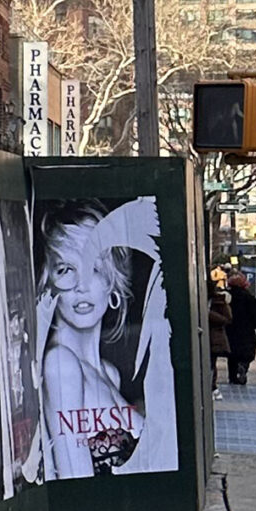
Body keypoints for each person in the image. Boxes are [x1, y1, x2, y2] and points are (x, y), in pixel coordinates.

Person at [38, 200, 176, 478]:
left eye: (96, 268)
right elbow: (75, 483)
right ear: (49, 282)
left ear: (113, 280)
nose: (82, 285)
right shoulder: (61, 364)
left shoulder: (107, 372)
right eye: (65, 269)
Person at [225, 268, 256, 387]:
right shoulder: (248, 297)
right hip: (247, 330)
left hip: (230, 329)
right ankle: (244, 366)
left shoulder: (227, 297)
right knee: (247, 352)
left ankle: (232, 377)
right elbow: (255, 315)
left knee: (232, 355)